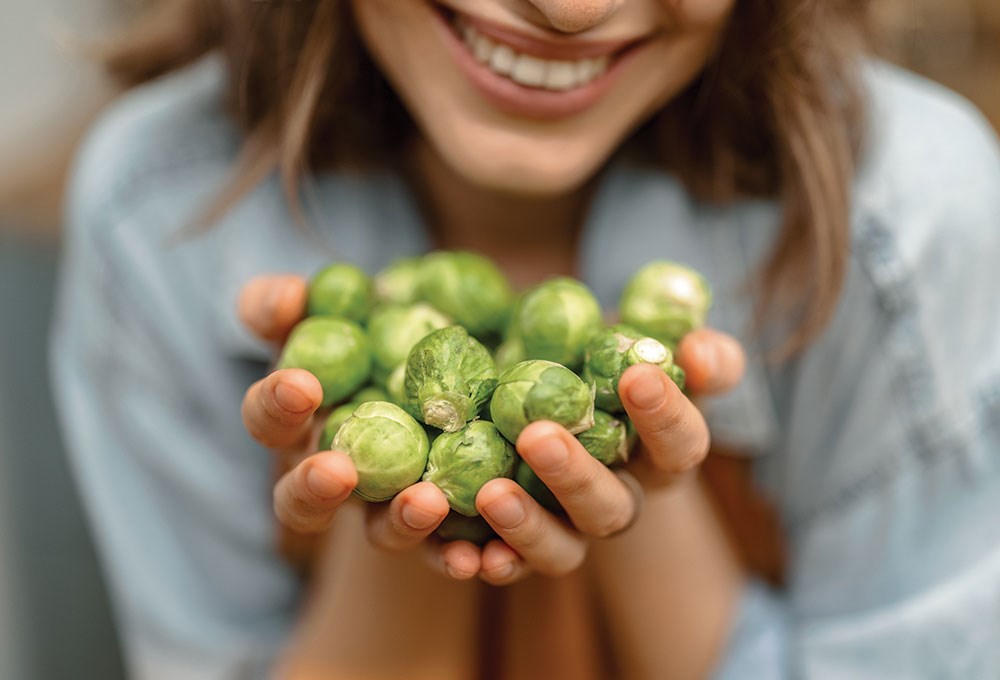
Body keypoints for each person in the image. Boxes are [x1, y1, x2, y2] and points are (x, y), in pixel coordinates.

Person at [51, 0, 1000, 678]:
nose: (571, 11)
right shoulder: (158, 211)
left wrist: (621, 462)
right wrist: (390, 483)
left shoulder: (905, 221)